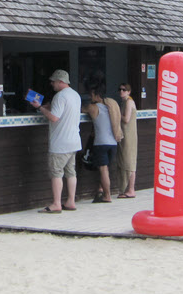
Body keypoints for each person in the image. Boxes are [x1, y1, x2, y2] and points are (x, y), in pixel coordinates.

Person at [30, 69, 81, 213]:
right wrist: (49, 106)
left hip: (60, 143)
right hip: (74, 141)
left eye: (53, 81)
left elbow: (54, 118)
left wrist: (40, 107)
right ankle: (71, 201)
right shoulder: (75, 95)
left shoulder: (60, 96)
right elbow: (62, 111)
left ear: (61, 82)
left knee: (56, 173)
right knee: (71, 172)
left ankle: (56, 204)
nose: (51, 84)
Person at [83, 86, 120, 203]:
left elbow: (82, 109)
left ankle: (107, 195)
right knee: (106, 168)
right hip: (113, 143)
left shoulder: (92, 107)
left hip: (101, 143)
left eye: (92, 95)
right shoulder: (111, 108)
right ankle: (101, 189)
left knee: (103, 169)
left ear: (97, 96)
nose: (90, 97)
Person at [116, 82, 138, 198]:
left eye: (124, 90)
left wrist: (116, 113)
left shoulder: (129, 102)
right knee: (123, 159)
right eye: (119, 89)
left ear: (129, 91)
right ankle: (124, 188)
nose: (121, 91)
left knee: (129, 161)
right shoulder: (123, 102)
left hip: (129, 135)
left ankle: (131, 189)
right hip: (124, 135)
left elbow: (126, 119)